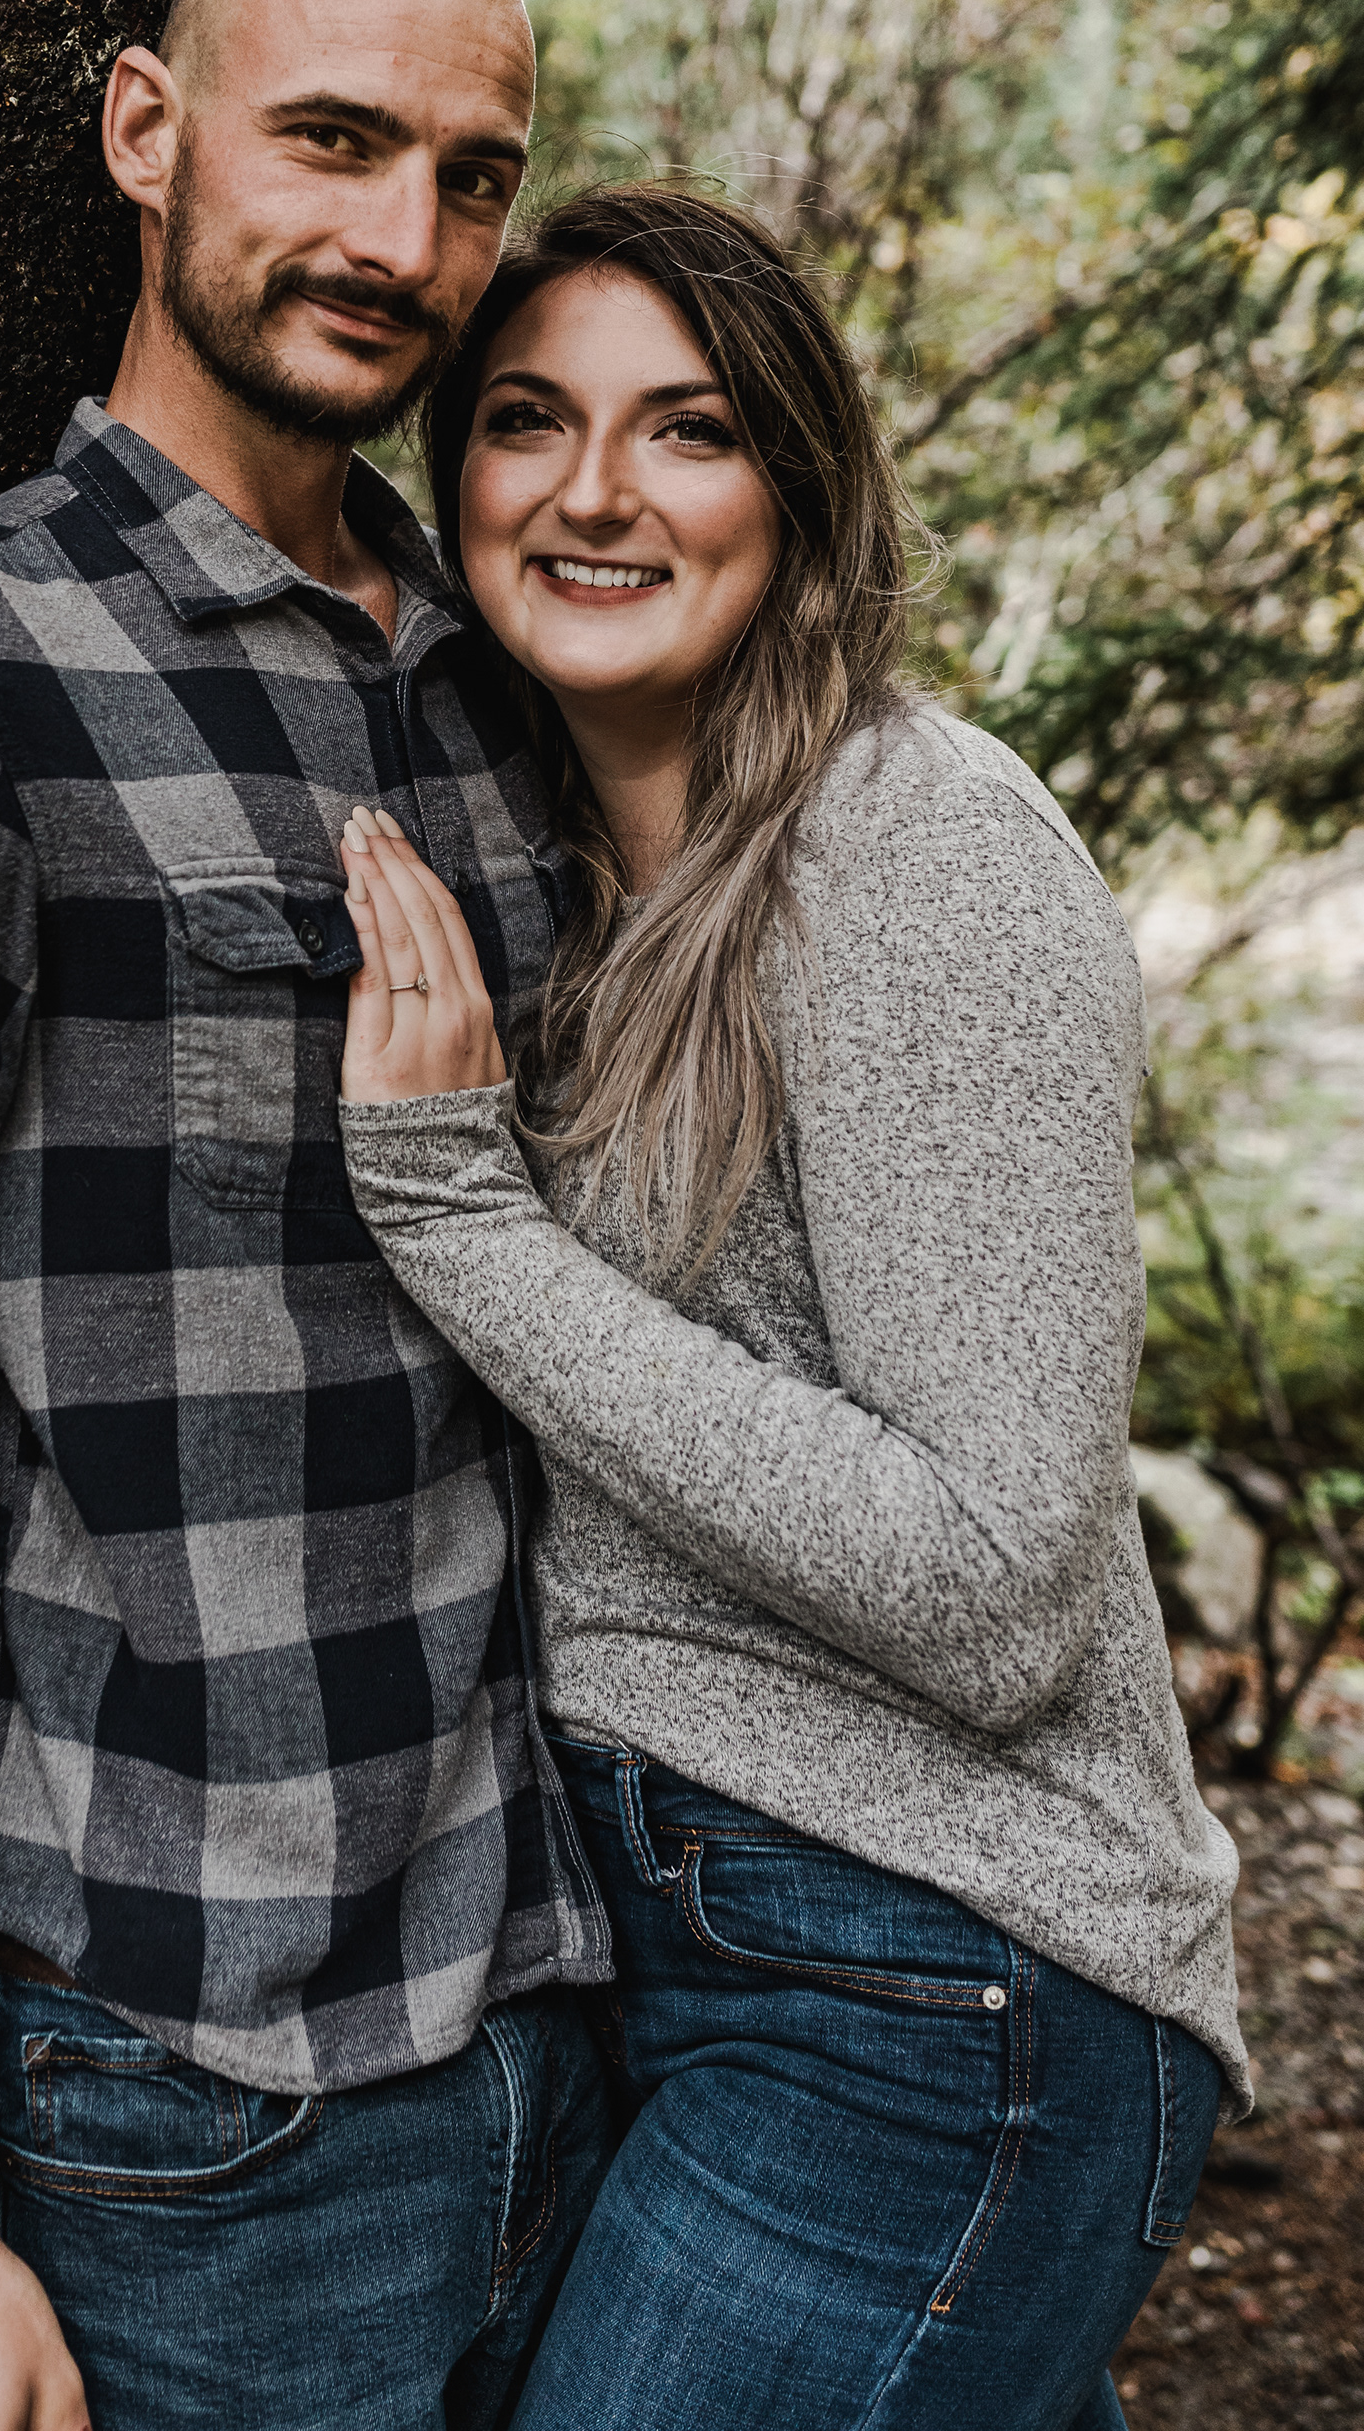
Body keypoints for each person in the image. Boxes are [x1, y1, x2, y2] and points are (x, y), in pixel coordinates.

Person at [0, 0, 619, 2431]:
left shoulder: (513, 679)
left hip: (586, 2020)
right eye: (332, 139)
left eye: (470, 175)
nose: (403, 239)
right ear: (145, 130)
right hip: (196, 2109)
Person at [333, 181, 1249, 2431]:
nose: (596, 491)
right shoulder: (575, 868)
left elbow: (997, 1587)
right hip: (685, 1953)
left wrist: (466, 1229)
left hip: (942, 1986)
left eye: (691, 429)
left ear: (802, 489)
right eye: (528, 420)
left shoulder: (913, 849)